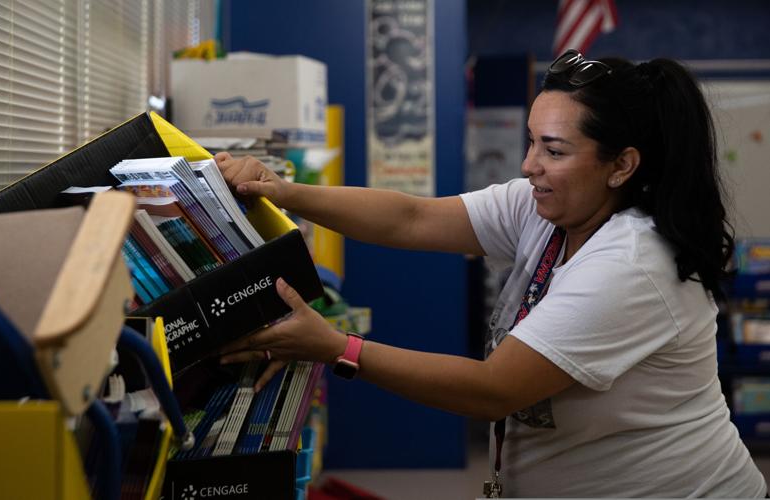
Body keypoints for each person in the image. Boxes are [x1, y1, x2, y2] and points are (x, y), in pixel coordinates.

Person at [215, 49, 767, 498]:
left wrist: (336, 347)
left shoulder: (632, 264)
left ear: (622, 165)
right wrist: (283, 191)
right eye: (531, 142)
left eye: (553, 150)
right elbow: (412, 218)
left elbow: (492, 390)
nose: (528, 166)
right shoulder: (547, 208)